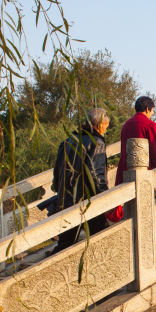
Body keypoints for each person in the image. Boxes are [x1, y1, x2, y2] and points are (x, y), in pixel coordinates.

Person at [40, 108, 110, 253]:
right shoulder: (96, 142)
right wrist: (106, 198)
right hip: (88, 201)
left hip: (66, 200)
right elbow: (96, 175)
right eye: (105, 127)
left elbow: (57, 173)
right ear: (99, 125)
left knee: (65, 243)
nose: (105, 131)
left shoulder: (67, 141)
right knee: (102, 239)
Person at [107, 96, 156, 222]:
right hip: (143, 171)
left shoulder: (126, 125)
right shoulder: (150, 125)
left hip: (126, 169)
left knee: (130, 206)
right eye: (152, 110)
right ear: (147, 109)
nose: (152, 113)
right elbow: (155, 151)